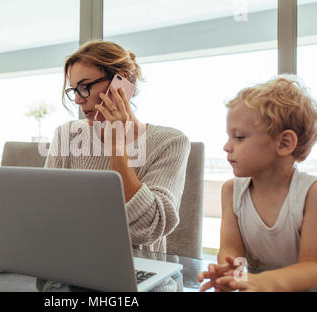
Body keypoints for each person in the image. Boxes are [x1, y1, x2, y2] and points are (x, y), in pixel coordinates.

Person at [45, 40, 191, 254]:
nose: (77, 100)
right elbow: (46, 212)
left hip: (136, 269)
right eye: (74, 90)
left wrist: (117, 146)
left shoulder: (170, 142)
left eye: (85, 87)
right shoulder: (66, 134)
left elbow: (147, 228)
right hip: (72, 260)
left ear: (121, 81)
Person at [198, 76, 317, 292]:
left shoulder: (311, 194)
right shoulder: (232, 190)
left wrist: (260, 282)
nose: (226, 146)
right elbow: (231, 248)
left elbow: (312, 267)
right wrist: (230, 272)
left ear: (284, 143)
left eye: (239, 137)